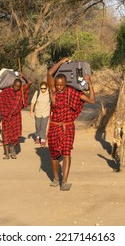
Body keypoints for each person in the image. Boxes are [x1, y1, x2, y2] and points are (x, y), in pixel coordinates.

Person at [47, 57, 95, 191]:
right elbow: (50, 73)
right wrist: (61, 62)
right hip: (54, 127)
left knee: (66, 153)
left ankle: (65, 181)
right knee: (54, 155)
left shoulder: (73, 92)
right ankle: (56, 178)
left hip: (68, 127)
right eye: (57, 84)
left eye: (62, 84)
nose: (59, 87)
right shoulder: (53, 92)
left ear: (66, 83)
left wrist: (90, 84)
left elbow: (91, 100)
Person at [0, 74, 32, 159]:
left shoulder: (20, 91)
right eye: (15, 86)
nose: (17, 88)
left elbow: (30, 82)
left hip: (16, 117)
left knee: (15, 135)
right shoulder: (6, 91)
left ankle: (12, 150)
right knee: (6, 134)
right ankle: (6, 154)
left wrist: (23, 75)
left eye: (19, 86)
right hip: (6, 116)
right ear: (13, 84)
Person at [30, 82, 50, 147]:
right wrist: (31, 111)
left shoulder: (49, 93)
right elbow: (33, 102)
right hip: (38, 112)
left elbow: (52, 103)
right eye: (42, 88)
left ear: (47, 88)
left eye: (44, 88)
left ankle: (43, 139)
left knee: (43, 126)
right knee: (38, 126)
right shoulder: (37, 93)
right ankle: (38, 136)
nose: (43, 90)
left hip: (46, 112)